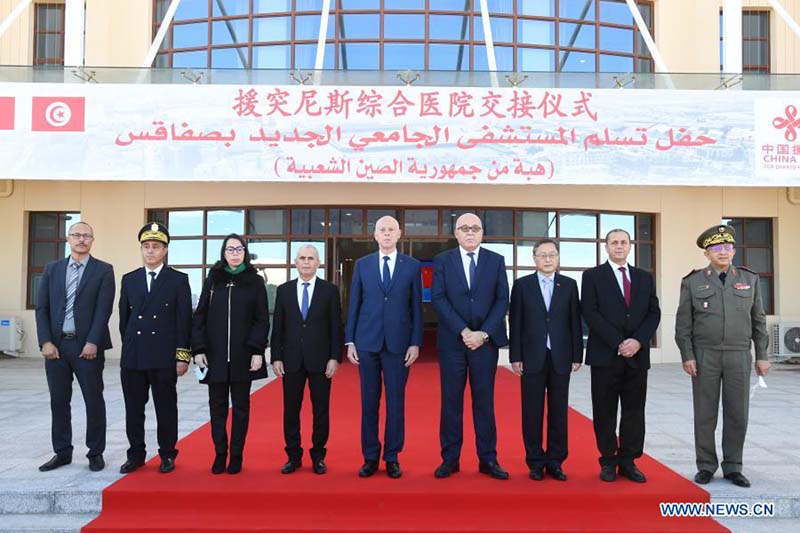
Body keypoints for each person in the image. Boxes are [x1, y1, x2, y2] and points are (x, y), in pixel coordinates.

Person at [675, 224, 769, 488]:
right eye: (717, 248)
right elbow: (683, 324)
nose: (723, 253)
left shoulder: (750, 279)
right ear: (707, 253)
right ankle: (705, 465)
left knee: (737, 413)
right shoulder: (693, 281)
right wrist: (687, 355)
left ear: (734, 250)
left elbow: (758, 320)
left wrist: (762, 355)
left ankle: (733, 466)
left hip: (739, 355)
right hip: (705, 355)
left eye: (727, 247)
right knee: (705, 413)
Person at [431, 212, 510, 480]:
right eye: (464, 228)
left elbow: (502, 300)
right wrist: (465, 331)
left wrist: (484, 333)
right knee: (451, 402)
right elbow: (439, 299)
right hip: (453, 342)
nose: (470, 232)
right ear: (456, 233)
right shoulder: (443, 261)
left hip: (485, 344)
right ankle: (450, 459)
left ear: (482, 233)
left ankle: (488, 459)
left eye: (475, 228)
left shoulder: (495, 261)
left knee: (484, 402)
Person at [345, 216, 423, 479]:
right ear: (375, 235)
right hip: (367, 342)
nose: (387, 234)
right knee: (368, 402)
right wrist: (350, 340)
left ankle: (392, 457)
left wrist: (415, 342)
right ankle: (369, 457)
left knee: (395, 403)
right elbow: (354, 303)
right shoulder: (363, 265)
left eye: (391, 230)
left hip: (399, 344)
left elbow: (416, 308)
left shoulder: (411, 266)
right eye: (382, 230)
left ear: (399, 234)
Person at [581, 228, 660, 483]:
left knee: (634, 411)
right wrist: (618, 342)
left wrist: (637, 341)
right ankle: (608, 460)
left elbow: (653, 313)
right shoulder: (592, 276)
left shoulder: (644, 277)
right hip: (605, 355)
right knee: (604, 410)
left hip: (637, 356)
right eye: (613, 242)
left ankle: (628, 461)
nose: (618, 246)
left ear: (630, 246)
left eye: (623, 242)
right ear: (606, 247)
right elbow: (590, 312)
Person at [35, 221, 114, 473]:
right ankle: (62, 452)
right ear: (68, 239)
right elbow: (42, 308)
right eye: (76, 235)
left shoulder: (103, 270)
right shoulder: (52, 269)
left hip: (87, 348)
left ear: (93, 240)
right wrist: (45, 341)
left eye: (86, 235)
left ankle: (95, 452)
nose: (81, 239)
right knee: (59, 401)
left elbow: (104, 310)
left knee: (94, 400)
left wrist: (93, 341)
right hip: (56, 347)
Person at [192, 234, 270, 475]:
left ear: (245, 252)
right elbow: (200, 316)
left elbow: (261, 319)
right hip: (214, 357)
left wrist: (257, 350)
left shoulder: (255, 281)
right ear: (223, 253)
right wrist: (199, 349)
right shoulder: (213, 280)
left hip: (243, 357)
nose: (235, 253)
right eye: (230, 249)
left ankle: (236, 455)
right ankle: (220, 453)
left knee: (241, 408)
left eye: (239, 249)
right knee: (216, 408)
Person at [118, 222, 192, 474]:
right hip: (135, 356)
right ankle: (136, 454)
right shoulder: (129, 279)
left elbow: (184, 320)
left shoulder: (178, 280)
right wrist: (128, 348)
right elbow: (124, 321)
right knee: (134, 409)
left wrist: (182, 356)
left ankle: (168, 454)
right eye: (146, 246)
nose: (150, 251)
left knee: (165, 408)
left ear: (165, 250)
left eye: (156, 247)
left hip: (163, 356)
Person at [509, 239, 583, 481]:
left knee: (559, 411)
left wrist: (576, 354)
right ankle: (534, 461)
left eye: (552, 255)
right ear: (534, 258)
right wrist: (515, 355)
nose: (548, 259)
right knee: (531, 411)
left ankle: (555, 461)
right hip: (531, 357)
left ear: (558, 258)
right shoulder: (522, 285)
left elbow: (575, 322)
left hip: (561, 356)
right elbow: (516, 321)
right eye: (543, 255)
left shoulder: (570, 285)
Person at [271, 244, 342, 475]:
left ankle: (318, 456)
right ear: (295, 262)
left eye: (311, 258)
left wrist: (334, 358)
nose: (306, 262)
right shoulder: (284, 290)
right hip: (291, 360)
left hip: (321, 361)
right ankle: (293, 456)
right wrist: (276, 357)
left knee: (321, 411)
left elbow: (335, 327)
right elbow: (278, 327)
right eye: (302, 258)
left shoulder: (329, 291)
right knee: (291, 410)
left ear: (318, 263)